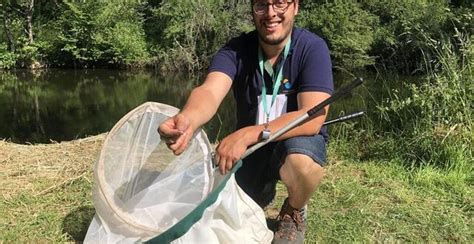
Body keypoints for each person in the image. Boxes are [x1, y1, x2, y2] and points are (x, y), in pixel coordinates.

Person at [158, 0, 333, 243]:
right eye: (262, 5)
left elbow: (313, 117)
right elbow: (209, 91)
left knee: (302, 163)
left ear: (295, 6)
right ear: (252, 9)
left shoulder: (312, 48)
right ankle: (262, 191)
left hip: (293, 142)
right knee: (228, 207)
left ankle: (294, 210)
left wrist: (249, 133)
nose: (270, 13)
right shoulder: (236, 50)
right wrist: (187, 117)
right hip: (253, 149)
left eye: (280, 3)